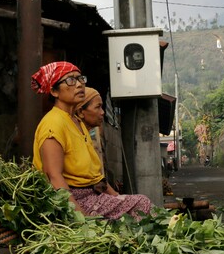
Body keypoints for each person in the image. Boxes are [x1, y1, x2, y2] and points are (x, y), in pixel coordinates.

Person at [30, 61, 152, 220]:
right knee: (141, 204)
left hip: (90, 195)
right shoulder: (53, 123)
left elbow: (94, 176)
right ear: (54, 91)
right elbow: (53, 176)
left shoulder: (76, 121)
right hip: (72, 200)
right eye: (70, 80)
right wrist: (80, 217)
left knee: (143, 207)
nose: (79, 84)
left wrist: (114, 196)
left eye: (81, 79)